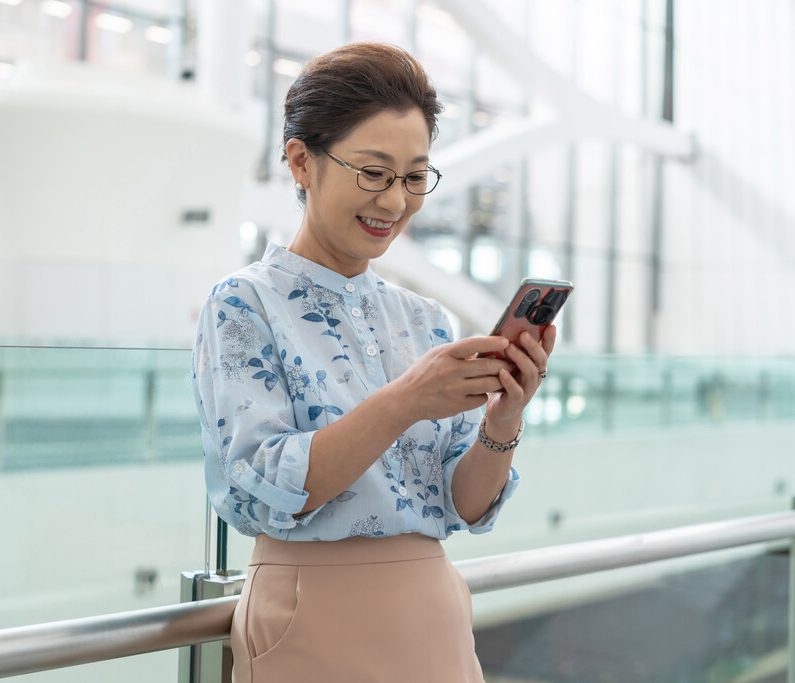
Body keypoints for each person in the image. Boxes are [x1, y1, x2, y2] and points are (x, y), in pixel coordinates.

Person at [191, 42, 556, 683]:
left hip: (432, 610)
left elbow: (467, 506)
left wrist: (503, 420)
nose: (394, 201)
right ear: (302, 161)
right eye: (374, 172)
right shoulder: (243, 305)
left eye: (415, 177)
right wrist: (407, 399)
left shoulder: (426, 320)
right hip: (311, 612)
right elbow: (266, 486)